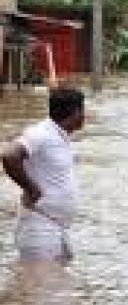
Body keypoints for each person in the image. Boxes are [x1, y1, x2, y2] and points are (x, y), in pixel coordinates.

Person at [2, 88, 85, 261]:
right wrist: (31, 188)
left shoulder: (60, 136)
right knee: (41, 286)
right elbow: (9, 156)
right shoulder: (41, 134)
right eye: (83, 110)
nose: (85, 116)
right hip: (39, 226)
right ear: (75, 112)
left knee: (59, 285)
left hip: (57, 226)